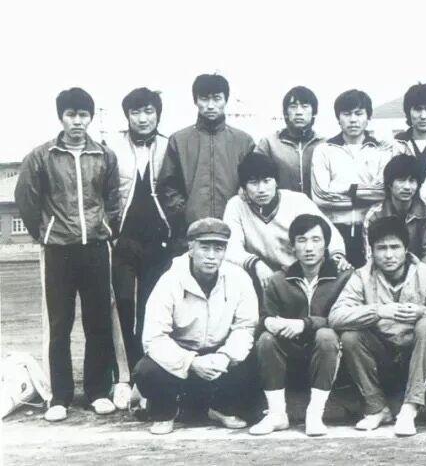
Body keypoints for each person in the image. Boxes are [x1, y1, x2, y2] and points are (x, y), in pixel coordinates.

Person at [15, 88, 124, 421]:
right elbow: (26, 198)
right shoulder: (42, 156)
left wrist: (106, 228)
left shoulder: (104, 155)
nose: (78, 121)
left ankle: (97, 392)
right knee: (59, 324)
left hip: (95, 249)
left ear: (90, 117)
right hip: (58, 250)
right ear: (61, 117)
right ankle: (59, 397)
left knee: (98, 321)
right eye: (71, 115)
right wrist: (45, 233)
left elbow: (113, 199)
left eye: (83, 115)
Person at [135, 218, 258, 435]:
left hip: (218, 356)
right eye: (204, 247)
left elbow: (245, 326)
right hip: (181, 358)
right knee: (146, 370)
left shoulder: (239, 278)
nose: (211, 256)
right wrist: (191, 362)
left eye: (218, 248)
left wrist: (225, 356)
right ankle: (164, 412)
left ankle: (220, 408)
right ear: (191, 248)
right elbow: (154, 338)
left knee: (254, 358)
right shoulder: (170, 280)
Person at [330, 216, 426, 437]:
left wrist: (423, 312)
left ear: (406, 249)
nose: (389, 255)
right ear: (371, 251)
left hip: (417, 357)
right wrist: (378, 311)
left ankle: (410, 408)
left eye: (395, 247)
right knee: (351, 336)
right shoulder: (361, 276)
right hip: (380, 357)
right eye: (381, 248)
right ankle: (377, 408)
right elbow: (335, 316)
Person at [249, 215, 351, 437]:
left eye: (316, 240)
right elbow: (265, 316)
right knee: (266, 339)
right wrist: (271, 322)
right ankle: (277, 414)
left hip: (330, 355)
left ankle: (314, 414)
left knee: (326, 335)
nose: (309, 247)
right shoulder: (279, 279)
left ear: (326, 244)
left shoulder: (344, 276)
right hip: (291, 355)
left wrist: (304, 324)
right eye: (302, 240)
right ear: (292, 246)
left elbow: (344, 318)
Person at [110, 88, 175, 407]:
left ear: (158, 114)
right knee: (122, 303)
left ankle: (149, 378)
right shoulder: (112, 146)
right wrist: (110, 229)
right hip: (123, 239)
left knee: (152, 308)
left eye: (149, 111)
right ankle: (124, 378)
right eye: (136, 112)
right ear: (127, 116)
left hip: (158, 240)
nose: (143, 118)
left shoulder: (170, 145)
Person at [223, 152, 349, 293]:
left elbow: (329, 232)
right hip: (260, 277)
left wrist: (337, 256)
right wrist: (256, 264)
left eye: (267, 181)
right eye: (253, 183)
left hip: (299, 274)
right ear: (243, 187)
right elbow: (231, 248)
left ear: (276, 182)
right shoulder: (236, 205)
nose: (261, 189)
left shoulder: (297, 200)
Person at [310, 89, 399, 267]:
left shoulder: (382, 150)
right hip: (333, 230)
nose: (353, 119)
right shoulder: (323, 150)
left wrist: (344, 189)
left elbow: (383, 192)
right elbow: (321, 196)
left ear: (368, 117)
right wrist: (363, 193)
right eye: (347, 114)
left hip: (373, 229)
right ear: (338, 118)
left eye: (359, 113)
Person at [159, 73, 255, 231]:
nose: (210, 106)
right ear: (195, 101)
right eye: (204, 99)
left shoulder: (244, 141)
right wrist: (185, 213)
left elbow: (252, 183)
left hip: (235, 228)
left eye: (217, 98)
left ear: (225, 100)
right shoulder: (179, 140)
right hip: (191, 230)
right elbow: (168, 186)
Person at [362, 154, 426, 264]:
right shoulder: (375, 215)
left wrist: (419, 272)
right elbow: (371, 257)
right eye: (401, 180)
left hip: (420, 270)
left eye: (412, 181)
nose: (407, 187)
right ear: (389, 184)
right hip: (385, 269)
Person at [255, 86, 324, 196]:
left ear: (314, 112)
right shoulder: (269, 143)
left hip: (316, 206)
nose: (299, 112)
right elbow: (254, 177)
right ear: (285, 113)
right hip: (281, 205)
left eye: (305, 106)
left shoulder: (325, 144)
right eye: (293, 107)